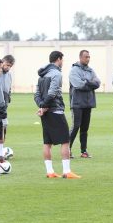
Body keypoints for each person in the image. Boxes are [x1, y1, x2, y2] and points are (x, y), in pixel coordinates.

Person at [35, 51, 81, 179]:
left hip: (46, 113)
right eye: (62, 60)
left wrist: (42, 107)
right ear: (59, 59)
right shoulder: (56, 74)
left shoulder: (42, 75)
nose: (63, 63)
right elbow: (53, 93)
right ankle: (67, 171)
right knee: (65, 141)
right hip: (56, 111)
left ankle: (50, 172)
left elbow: (36, 94)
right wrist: (44, 106)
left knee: (47, 143)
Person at [69, 50, 101, 158]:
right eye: (86, 57)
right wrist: (89, 83)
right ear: (80, 57)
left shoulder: (91, 70)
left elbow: (97, 83)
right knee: (76, 126)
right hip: (77, 103)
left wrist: (87, 82)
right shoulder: (74, 70)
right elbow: (78, 84)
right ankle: (67, 149)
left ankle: (84, 151)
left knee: (85, 128)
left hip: (88, 103)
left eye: (89, 57)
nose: (88, 59)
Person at [0, 54, 15, 160]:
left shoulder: (9, 75)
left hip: (5, 105)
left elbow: (8, 87)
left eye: (10, 66)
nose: (8, 67)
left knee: (4, 127)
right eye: (7, 65)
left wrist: (9, 95)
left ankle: (0, 149)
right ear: (2, 62)